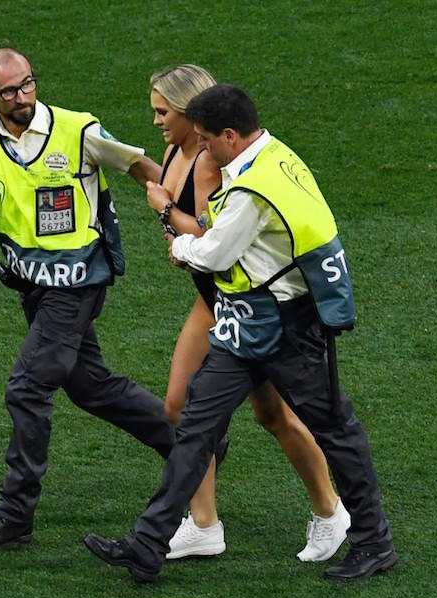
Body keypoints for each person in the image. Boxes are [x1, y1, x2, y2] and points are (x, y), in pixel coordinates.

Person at [84, 84, 397, 582]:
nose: (203, 149)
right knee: (193, 427)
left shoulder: (253, 189)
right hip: (246, 323)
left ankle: (374, 542)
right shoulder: (274, 157)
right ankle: (147, 545)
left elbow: (214, 253)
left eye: (207, 140)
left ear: (230, 135)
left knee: (335, 429)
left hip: (286, 328)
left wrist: (173, 233)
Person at [0, 46, 180, 552]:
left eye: (28, 84)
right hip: (35, 289)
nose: (22, 96)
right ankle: (194, 446)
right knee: (90, 386)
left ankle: (13, 515)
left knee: (27, 389)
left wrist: (179, 212)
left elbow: (138, 165)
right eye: (9, 90)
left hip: (78, 283)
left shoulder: (78, 130)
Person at [145, 64, 349, 562]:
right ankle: (204, 523)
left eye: (163, 112)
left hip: (242, 300)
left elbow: (217, 239)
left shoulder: (216, 163)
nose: (156, 121)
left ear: (196, 118)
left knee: (272, 414)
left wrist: (166, 214)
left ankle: (331, 510)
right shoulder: (177, 149)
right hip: (210, 297)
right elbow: (159, 181)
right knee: (182, 408)